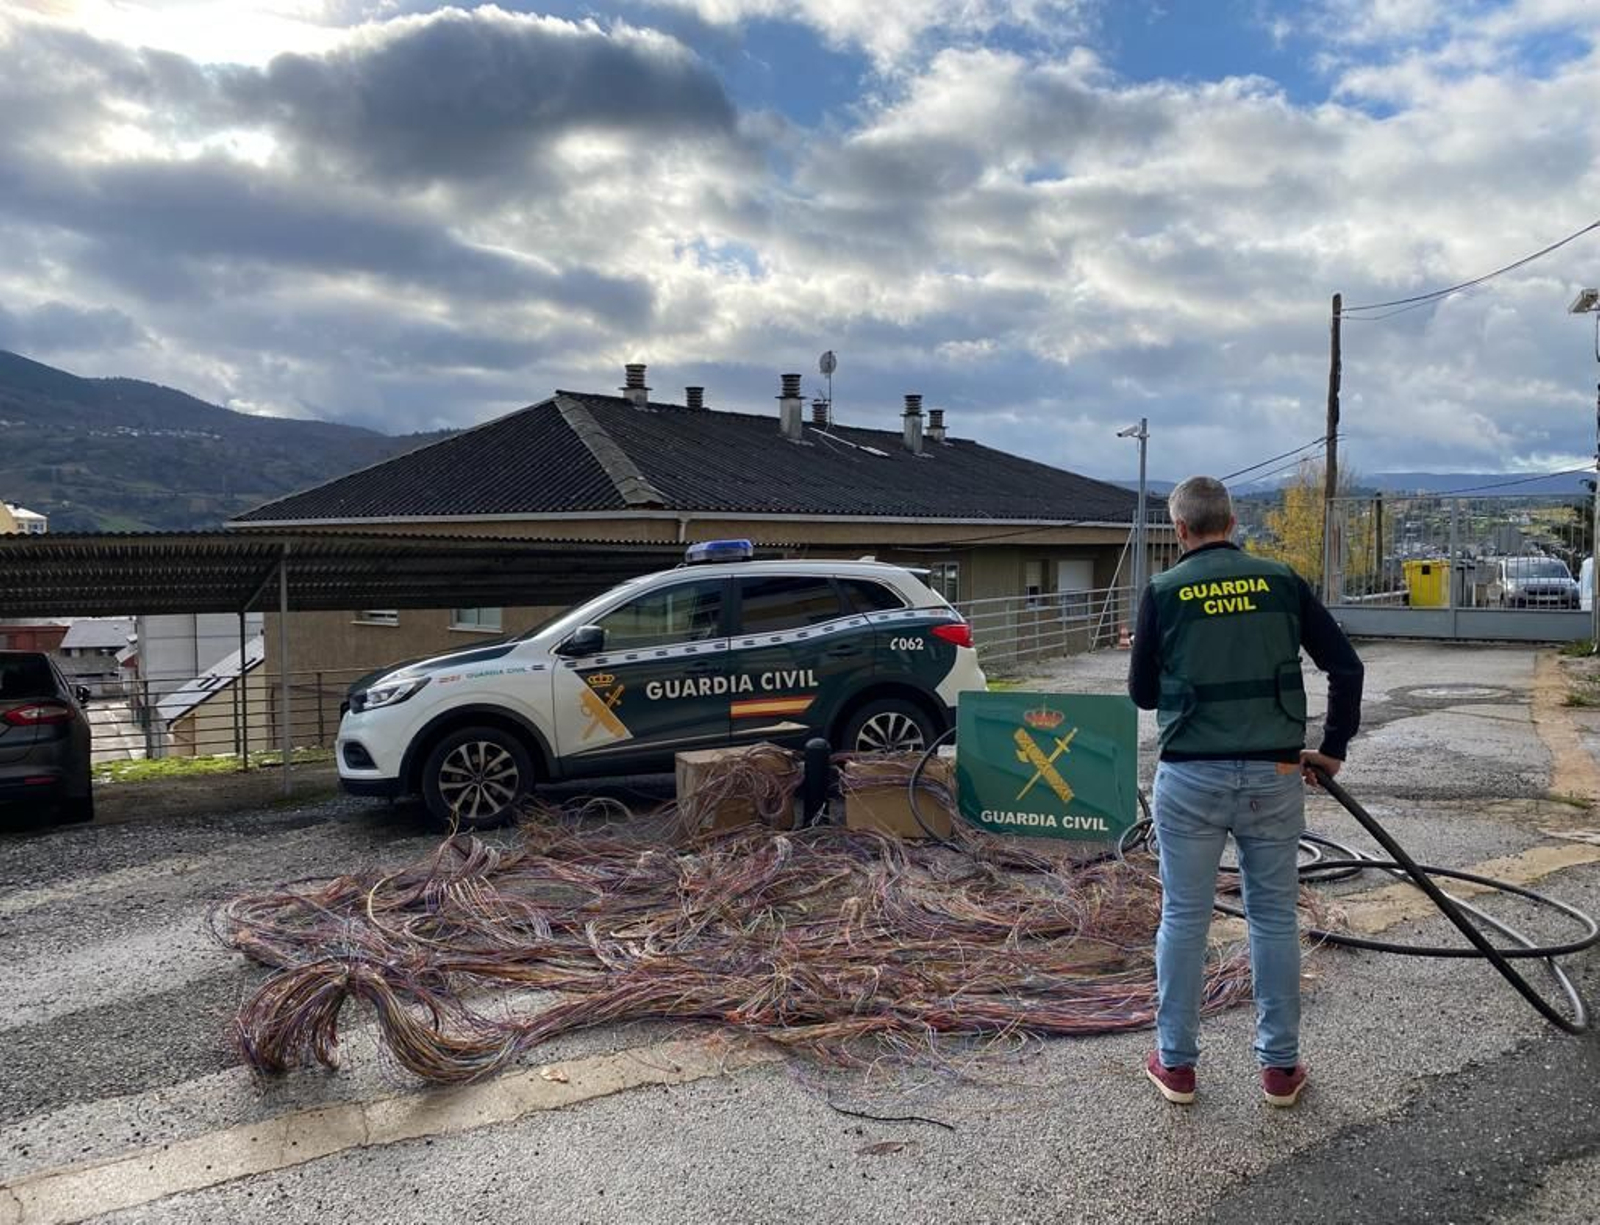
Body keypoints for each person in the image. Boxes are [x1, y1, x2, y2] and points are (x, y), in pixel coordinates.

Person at [1127, 475, 1363, 1108]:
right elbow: (1346, 666)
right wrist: (1333, 749)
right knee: (1273, 915)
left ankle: (1176, 1066)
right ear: (1232, 522)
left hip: (1191, 777)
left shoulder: (1162, 591)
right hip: (1275, 775)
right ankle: (1280, 1070)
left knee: (1184, 916)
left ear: (1180, 529)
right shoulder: (1282, 581)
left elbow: (1144, 695)